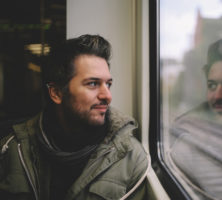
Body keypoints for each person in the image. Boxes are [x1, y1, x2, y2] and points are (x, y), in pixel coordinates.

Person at [0, 34, 150, 200]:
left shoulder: (130, 158)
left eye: (108, 84)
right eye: (93, 83)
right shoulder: (12, 150)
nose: (107, 95)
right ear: (57, 93)